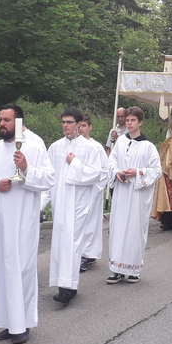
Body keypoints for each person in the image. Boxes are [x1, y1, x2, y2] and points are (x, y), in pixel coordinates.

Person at [0, 104, 55, 344]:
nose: (1, 124)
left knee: (23, 271)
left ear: (18, 123)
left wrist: (26, 168)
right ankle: (8, 322)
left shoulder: (34, 149)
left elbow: (49, 179)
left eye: (7, 120)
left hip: (23, 221)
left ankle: (24, 323)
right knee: (2, 271)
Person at [46, 107, 108, 306]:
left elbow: (96, 174)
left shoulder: (89, 148)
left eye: (70, 122)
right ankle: (60, 281)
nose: (66, 126)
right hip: (60, 201)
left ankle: (68, 287)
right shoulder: (55, 147)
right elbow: (49, 176)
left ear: (79, 124)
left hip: (78, 203)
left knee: (72, 243)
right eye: (63, 122)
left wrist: (75, 164)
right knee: (59, 243)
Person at [106, 106, 161, 284]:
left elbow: (156, 170)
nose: (129, 123)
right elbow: (112, 161)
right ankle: (116, 268)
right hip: (122, 193)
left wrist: (136, 172)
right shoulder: (120, 142)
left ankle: (133, 268)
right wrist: (116, 172)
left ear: (140, 122)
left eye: (132, 120)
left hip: (137, 196)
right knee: (118, 228)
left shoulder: (148, 147)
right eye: (127, 120)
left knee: (134, 230)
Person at [77, 114, 107, 272]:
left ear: (90, 127)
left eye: (84, 126)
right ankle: (77, 253)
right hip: (76, 191)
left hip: (91, 191)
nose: (80, 129)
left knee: (89, 224)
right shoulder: (74, 145)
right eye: (79, 126)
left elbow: (104, 170)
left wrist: (96, 189)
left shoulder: (96, 147)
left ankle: (86, 254)